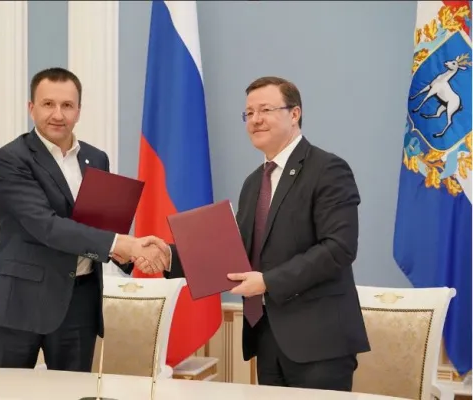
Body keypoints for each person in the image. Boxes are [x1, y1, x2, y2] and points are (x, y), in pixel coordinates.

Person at [135, 76, 370, 391]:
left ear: (295, 114)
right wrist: (168, 256)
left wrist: (268, 282)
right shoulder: (253, 183)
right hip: (268, 338)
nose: (255, 119)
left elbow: (338, 248)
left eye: (265, 110)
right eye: (249, 113)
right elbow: (234, 252)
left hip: (320, 343)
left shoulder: (328, 169)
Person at [0, 67, 168, 371]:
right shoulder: (11, 158)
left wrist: (122, 253)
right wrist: (124, 244)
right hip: (19, 303)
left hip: (79, 302)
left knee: (73, 390)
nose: (58, 114)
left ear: (78, 110)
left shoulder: (96, 158)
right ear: (31, 108)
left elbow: (99, 226)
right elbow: (46, 226)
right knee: (6, 391)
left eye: (67, 105)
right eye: (48, 104)